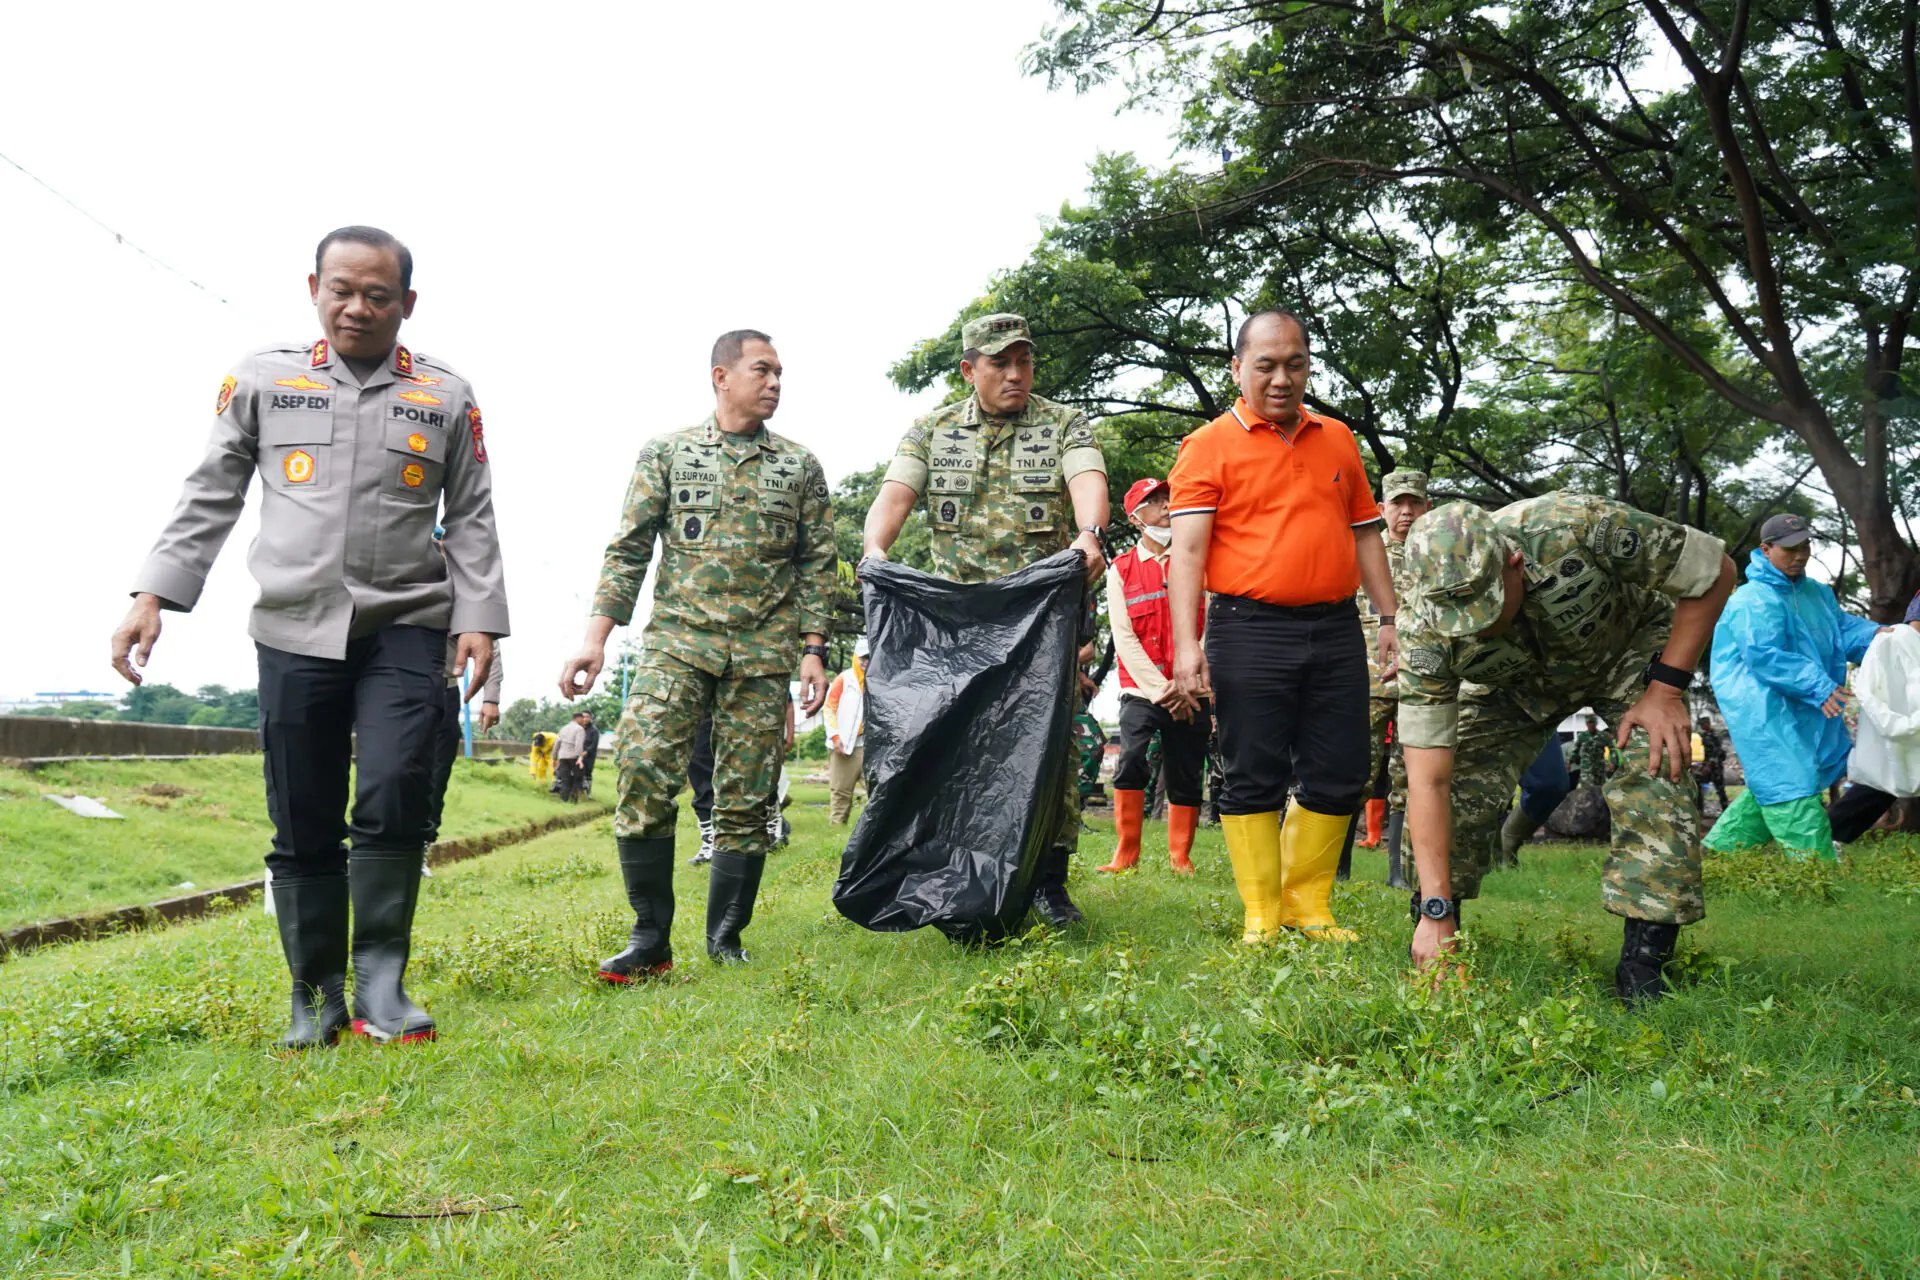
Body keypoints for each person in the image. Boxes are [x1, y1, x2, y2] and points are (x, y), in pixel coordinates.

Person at [109, 226, 508, 1049]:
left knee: (397, 786)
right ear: (314, 288)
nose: (357, 308)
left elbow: (470, 516)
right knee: (302, 813)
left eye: (378, 295)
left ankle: (381, 985)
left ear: (407, 303)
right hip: (293, 626)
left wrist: (479, 619)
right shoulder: (264, 380)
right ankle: (316, 994)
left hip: (407, 619)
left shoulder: (446, 395)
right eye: (342, 290)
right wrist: (153, 594)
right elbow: (210, 492)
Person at [561, 329, 833, 976]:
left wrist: (813, 650)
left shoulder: (799, 467)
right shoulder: (669, 453)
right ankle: (650, 938)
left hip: (762, 654)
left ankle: (725, 940)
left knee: (746, 800)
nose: (774, 383)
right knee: (643, 769)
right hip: (677, 646)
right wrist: (595, 639)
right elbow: (628, 550)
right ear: (721, 376)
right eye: (762, 370)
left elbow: (818, 565)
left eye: (780, 374)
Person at [1396, 495, 1735, 1003]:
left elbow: (1717, 572)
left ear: (1515, 563)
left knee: (1657, 760)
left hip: (1626, 654)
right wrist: (1435, 909)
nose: (1476, 627)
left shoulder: (1574, 526)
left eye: (1485, 607)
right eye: (1458, 619)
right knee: (1462, 775)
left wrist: (1666, 690)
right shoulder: (1422, 629)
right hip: (1509, 686)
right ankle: (1438, 936)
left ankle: (1645, 964)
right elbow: (1429, 778)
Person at [861, 312, 1109, 927]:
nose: (1016, 374)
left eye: (1024, 360)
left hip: (1041, 623)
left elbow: (1087, 480)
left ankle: (1049, 880)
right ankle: (956, 872)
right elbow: (893, 499)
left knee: (1048, 746)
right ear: (970, 369)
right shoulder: (933, 430)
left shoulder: (1063, 424)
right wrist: (875, 554)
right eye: (1001, 363)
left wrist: (1089, 535)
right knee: (959, 748)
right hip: (960, 628)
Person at [1162, 309, 1399, 943]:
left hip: (1335, 627)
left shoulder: (1339, 438)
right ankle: (1262, 912)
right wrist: (1188, 647)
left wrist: (1389, 616)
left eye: (1295, 364)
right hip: (1249, 626)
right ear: (1238, 368)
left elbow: (1367, 533)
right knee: (1251, 768)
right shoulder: (1206, 445)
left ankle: (1308, 904)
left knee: (1343, 766)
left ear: (1308, 367)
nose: (1281, 378)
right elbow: (1186, 553)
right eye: (1265, 365)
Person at [1704, 513, 1884, 860]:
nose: (1799, 555)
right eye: (1789, 549)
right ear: (1765, 550)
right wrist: (1817, 685)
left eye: (1804, 547)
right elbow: (1765, 654)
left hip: (1807, 704)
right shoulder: (1751, 599)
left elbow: (1841, 631)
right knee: (1790, 782)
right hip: (1763, 707)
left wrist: (1881, 637)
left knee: (1779, 781)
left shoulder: (1816, 593)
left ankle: (1718, 858)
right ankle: (1816, 874)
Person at [1098, 476, 1210, 875]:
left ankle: (1181, 856)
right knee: (1130, 761)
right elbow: (1124, 640)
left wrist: (1189, 685)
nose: (1166, 505)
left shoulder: (1199, 560)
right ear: (1135, 518)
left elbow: (1210, 627)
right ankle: (1126, 851)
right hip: (1142, 693)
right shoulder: (1120, 570)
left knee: (1186, 768)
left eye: (1168, 498)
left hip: (1195, 689)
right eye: (1155, 500)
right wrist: (1165, 690)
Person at [1360, 470, 1431, 884]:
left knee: (1412, 780)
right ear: (1381, 508)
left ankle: (1400, 873)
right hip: (1369, 682)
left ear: (1427, 507)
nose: (1406, 512)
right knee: (1355, 772)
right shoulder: (1365, 552)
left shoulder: (1440, 555)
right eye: (1398, 504)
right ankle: (1337, 871)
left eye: (1415, 503)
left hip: (1423, 683)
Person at [824, 638, 869, 824]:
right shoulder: (844, 679)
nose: (866, 662)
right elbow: (829, 709)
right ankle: (836, 830)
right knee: (840, 791)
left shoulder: (881, 680)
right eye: (863, 658)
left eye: (870, 658)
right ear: (855, 657)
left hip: (869, 745)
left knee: (877, 792)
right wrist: (835, 737)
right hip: (843, 745)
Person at [1694, 714, 1729, 811]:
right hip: (1708, 765)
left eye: (1702, 724)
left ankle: (1725, 809)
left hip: (1715, 767)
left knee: (1720, 789)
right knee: (1698, 784)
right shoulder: (1704, 735)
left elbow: (1717, 752)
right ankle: (1700, 809)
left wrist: (1709, 765)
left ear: (1707, 724)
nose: (1701, 727)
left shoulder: (1715, 735)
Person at [553, 711, 589, 802]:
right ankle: (573, 800)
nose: (583, 721)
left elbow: (557, 743)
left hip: (563, 756)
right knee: (577, 778)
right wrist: (580, 758)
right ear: (578, 718)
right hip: (574, 756)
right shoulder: (579, 729)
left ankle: (564, 799)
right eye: (582, 718)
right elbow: (578, 745)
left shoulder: (563, 728)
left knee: (565, 779)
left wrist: (554, 757)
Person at [1570, 714, 1610, 790]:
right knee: (1586, 789)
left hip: (1600, 768)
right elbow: (1576, 750)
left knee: (1601, 789)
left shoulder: (1604, 736)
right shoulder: (1582, 736)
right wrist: (1570, 762)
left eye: (1592, 722)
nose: (1591, 725)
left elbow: (1612, 749)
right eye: (1589, 723)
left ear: (1596, 723)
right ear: (1586, 724)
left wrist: (1612, 762)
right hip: (1586, 768)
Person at [578, 710, 601, 798]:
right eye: (583, 717)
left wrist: (586, 752)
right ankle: (579, 791)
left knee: (588, 773)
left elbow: (594, 744)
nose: (585, 719)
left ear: (590, 718)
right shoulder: (579, 728)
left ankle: (588, 793)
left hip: (589, 756)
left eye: (587, 717)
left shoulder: (594, 730)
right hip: (578, 754)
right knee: (578, 773)